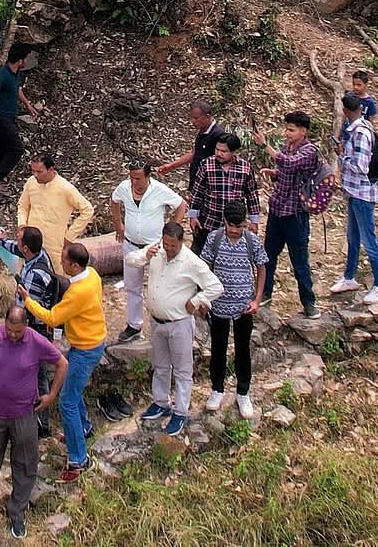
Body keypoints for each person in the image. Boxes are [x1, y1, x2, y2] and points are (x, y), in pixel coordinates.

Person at [0, 306, 67, 539]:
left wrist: (51, 395)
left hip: (24, 414)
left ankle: (17, 512)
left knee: (25, 463)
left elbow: (62, 364)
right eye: (9, 330)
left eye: (17, 332)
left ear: (25, 326)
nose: (13, 335)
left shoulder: (36, 341)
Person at [126, 222, 223, 437]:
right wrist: (146, 256)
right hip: (157, 321)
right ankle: (161, 402)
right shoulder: (157, 250)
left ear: (181, 242)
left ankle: (181, 411)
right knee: (160, 366)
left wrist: (197, 301)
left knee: (182, 370)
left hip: (179, 323)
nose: (168, 248)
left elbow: (216, 286)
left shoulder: (191, 262)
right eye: (166, 243)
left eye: (173, 245)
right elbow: (129, 260)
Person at [19, 241, 106, 482]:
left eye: (65, 261)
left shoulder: (77, 293)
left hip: (85, 349)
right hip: (92, 341)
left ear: (75, 265)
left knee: (66, 401)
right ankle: (84, 428)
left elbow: (52, 316)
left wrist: (27, 299)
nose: (62, 264)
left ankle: (78, 459)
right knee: (73, 391)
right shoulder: (93, 276)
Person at [200, 201, 268, 419]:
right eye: (231, 226)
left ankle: (243, 392)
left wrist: (257, 299)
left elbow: (261, 267)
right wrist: (203, 298)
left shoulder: (251, 241)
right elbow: (203, 269)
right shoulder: (214, 239)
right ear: (224, 222)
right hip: (218, 305)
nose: (235, 231)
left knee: (243, 351)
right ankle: (217, 389)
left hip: (243, 307)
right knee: (217, 349)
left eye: (239, 227)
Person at [111, 160, 187, 342]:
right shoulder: (124, 188)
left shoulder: (159, 190)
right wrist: (118, 225)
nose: (134, 182)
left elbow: (181, 205)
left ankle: (161, 322)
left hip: (154, 246)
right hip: (131, 243)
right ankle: (134, 325)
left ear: (147, 176)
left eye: (138, 178)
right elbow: (114, 201)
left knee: (159, 285)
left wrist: (172, 229)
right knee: (132, 286)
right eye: (132, 178)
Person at [0, 225, 59, 434]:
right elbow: (16, 248)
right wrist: (1, 241)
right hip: (37, 327)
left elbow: (27, 311)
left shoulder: (34, 277)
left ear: (27, 249)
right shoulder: (40, 254)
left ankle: (41, 423)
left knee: (38, 375)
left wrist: (13, 323)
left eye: (19, 241)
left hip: (36, 330)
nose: (17, 243)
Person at [253, 112, 319, 316]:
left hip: (296, 214)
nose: (287, 133)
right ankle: (265, 293)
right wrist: (274, 174)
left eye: (291, 130)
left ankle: (308, 302)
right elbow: (286, 171)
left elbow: (290, 164)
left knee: (299, 260)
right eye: (287, 129)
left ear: (303, 131)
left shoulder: (309, 151)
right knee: (268, 256)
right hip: (278, 209)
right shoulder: (287, 147)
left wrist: (265, 145)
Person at [330, 95, 378, 303]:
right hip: (354, 192)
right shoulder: (358, 128)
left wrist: (342, 155)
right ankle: (349, 277)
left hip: (363, 194)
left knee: (369, 241)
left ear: (345, 111)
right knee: (352, 238)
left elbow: (361, 167)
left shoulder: (361, 133)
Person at [0, 42, 39, 195]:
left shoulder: (15, 73)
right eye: (25, 58)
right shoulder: (2, 75)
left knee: (2, 150)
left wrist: (28, 105)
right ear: (20, 60)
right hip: (0, 119)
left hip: (9, 118)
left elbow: (17, 89)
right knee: (16, 149)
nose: (26, 61)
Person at [16, 154, 94, 275]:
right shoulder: (31, 183)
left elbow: (87, 210)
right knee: (26, 276)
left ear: (51, 170)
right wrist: (22, 225)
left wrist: (69, 237)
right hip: (30, 242)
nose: (35, 175)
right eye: (33, 171)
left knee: (54, 281)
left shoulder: (65, 188)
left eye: (39, 171)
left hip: (53, 244)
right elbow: (23, 206)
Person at [188, 133, 260, 255]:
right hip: (209, 221)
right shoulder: (207, 165)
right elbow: (197, 192)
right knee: (202, 256)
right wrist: (193, 216)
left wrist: (254, 221)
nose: (219, 154)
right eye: (217, 149)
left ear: (234, 152)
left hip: (233, 225)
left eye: (224, 151)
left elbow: (252, 195)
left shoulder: (245, 168)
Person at [157, 98, 226, 192]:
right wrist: (171, 166)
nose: (192, 121)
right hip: (197, 184)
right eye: (191, 118)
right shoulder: (203, 132)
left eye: (196, 118)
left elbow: (225, 161)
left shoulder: (218, 135)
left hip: (209, 188)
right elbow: (194, 154)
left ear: (207, 116)